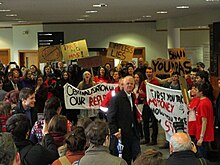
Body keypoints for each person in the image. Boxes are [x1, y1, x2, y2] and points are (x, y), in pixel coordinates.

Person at [107, 76, 141, 165]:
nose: (129, 85)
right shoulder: (116, 99)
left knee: (138, 156)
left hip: (133, 133)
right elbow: (110, 116)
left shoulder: (132, 97)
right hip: (122, 135)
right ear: (123, 85)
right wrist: (114, 132)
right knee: (126, 159)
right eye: (127, 84)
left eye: (131, 83)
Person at [139, 67, 160, 145]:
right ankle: (146, 138)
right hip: (146, 104)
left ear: (153, 73)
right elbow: (141, 91)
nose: (149, 74)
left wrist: (145, 94)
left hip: (154, 105)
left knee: (154, 123)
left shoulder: (156, 82)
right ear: (145, 73)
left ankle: (154, 140)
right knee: (145, 122)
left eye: (150, 72)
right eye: (147, 72)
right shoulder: (143, 83)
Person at [195, 82, 214, 158]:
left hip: (203, 136)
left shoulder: (203, 104)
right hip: (201, 134)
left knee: (202, 157)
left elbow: (204, 121)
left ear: (201, 92)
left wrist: (201, 137)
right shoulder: (206, 101)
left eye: (196, 90)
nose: (194, 92)